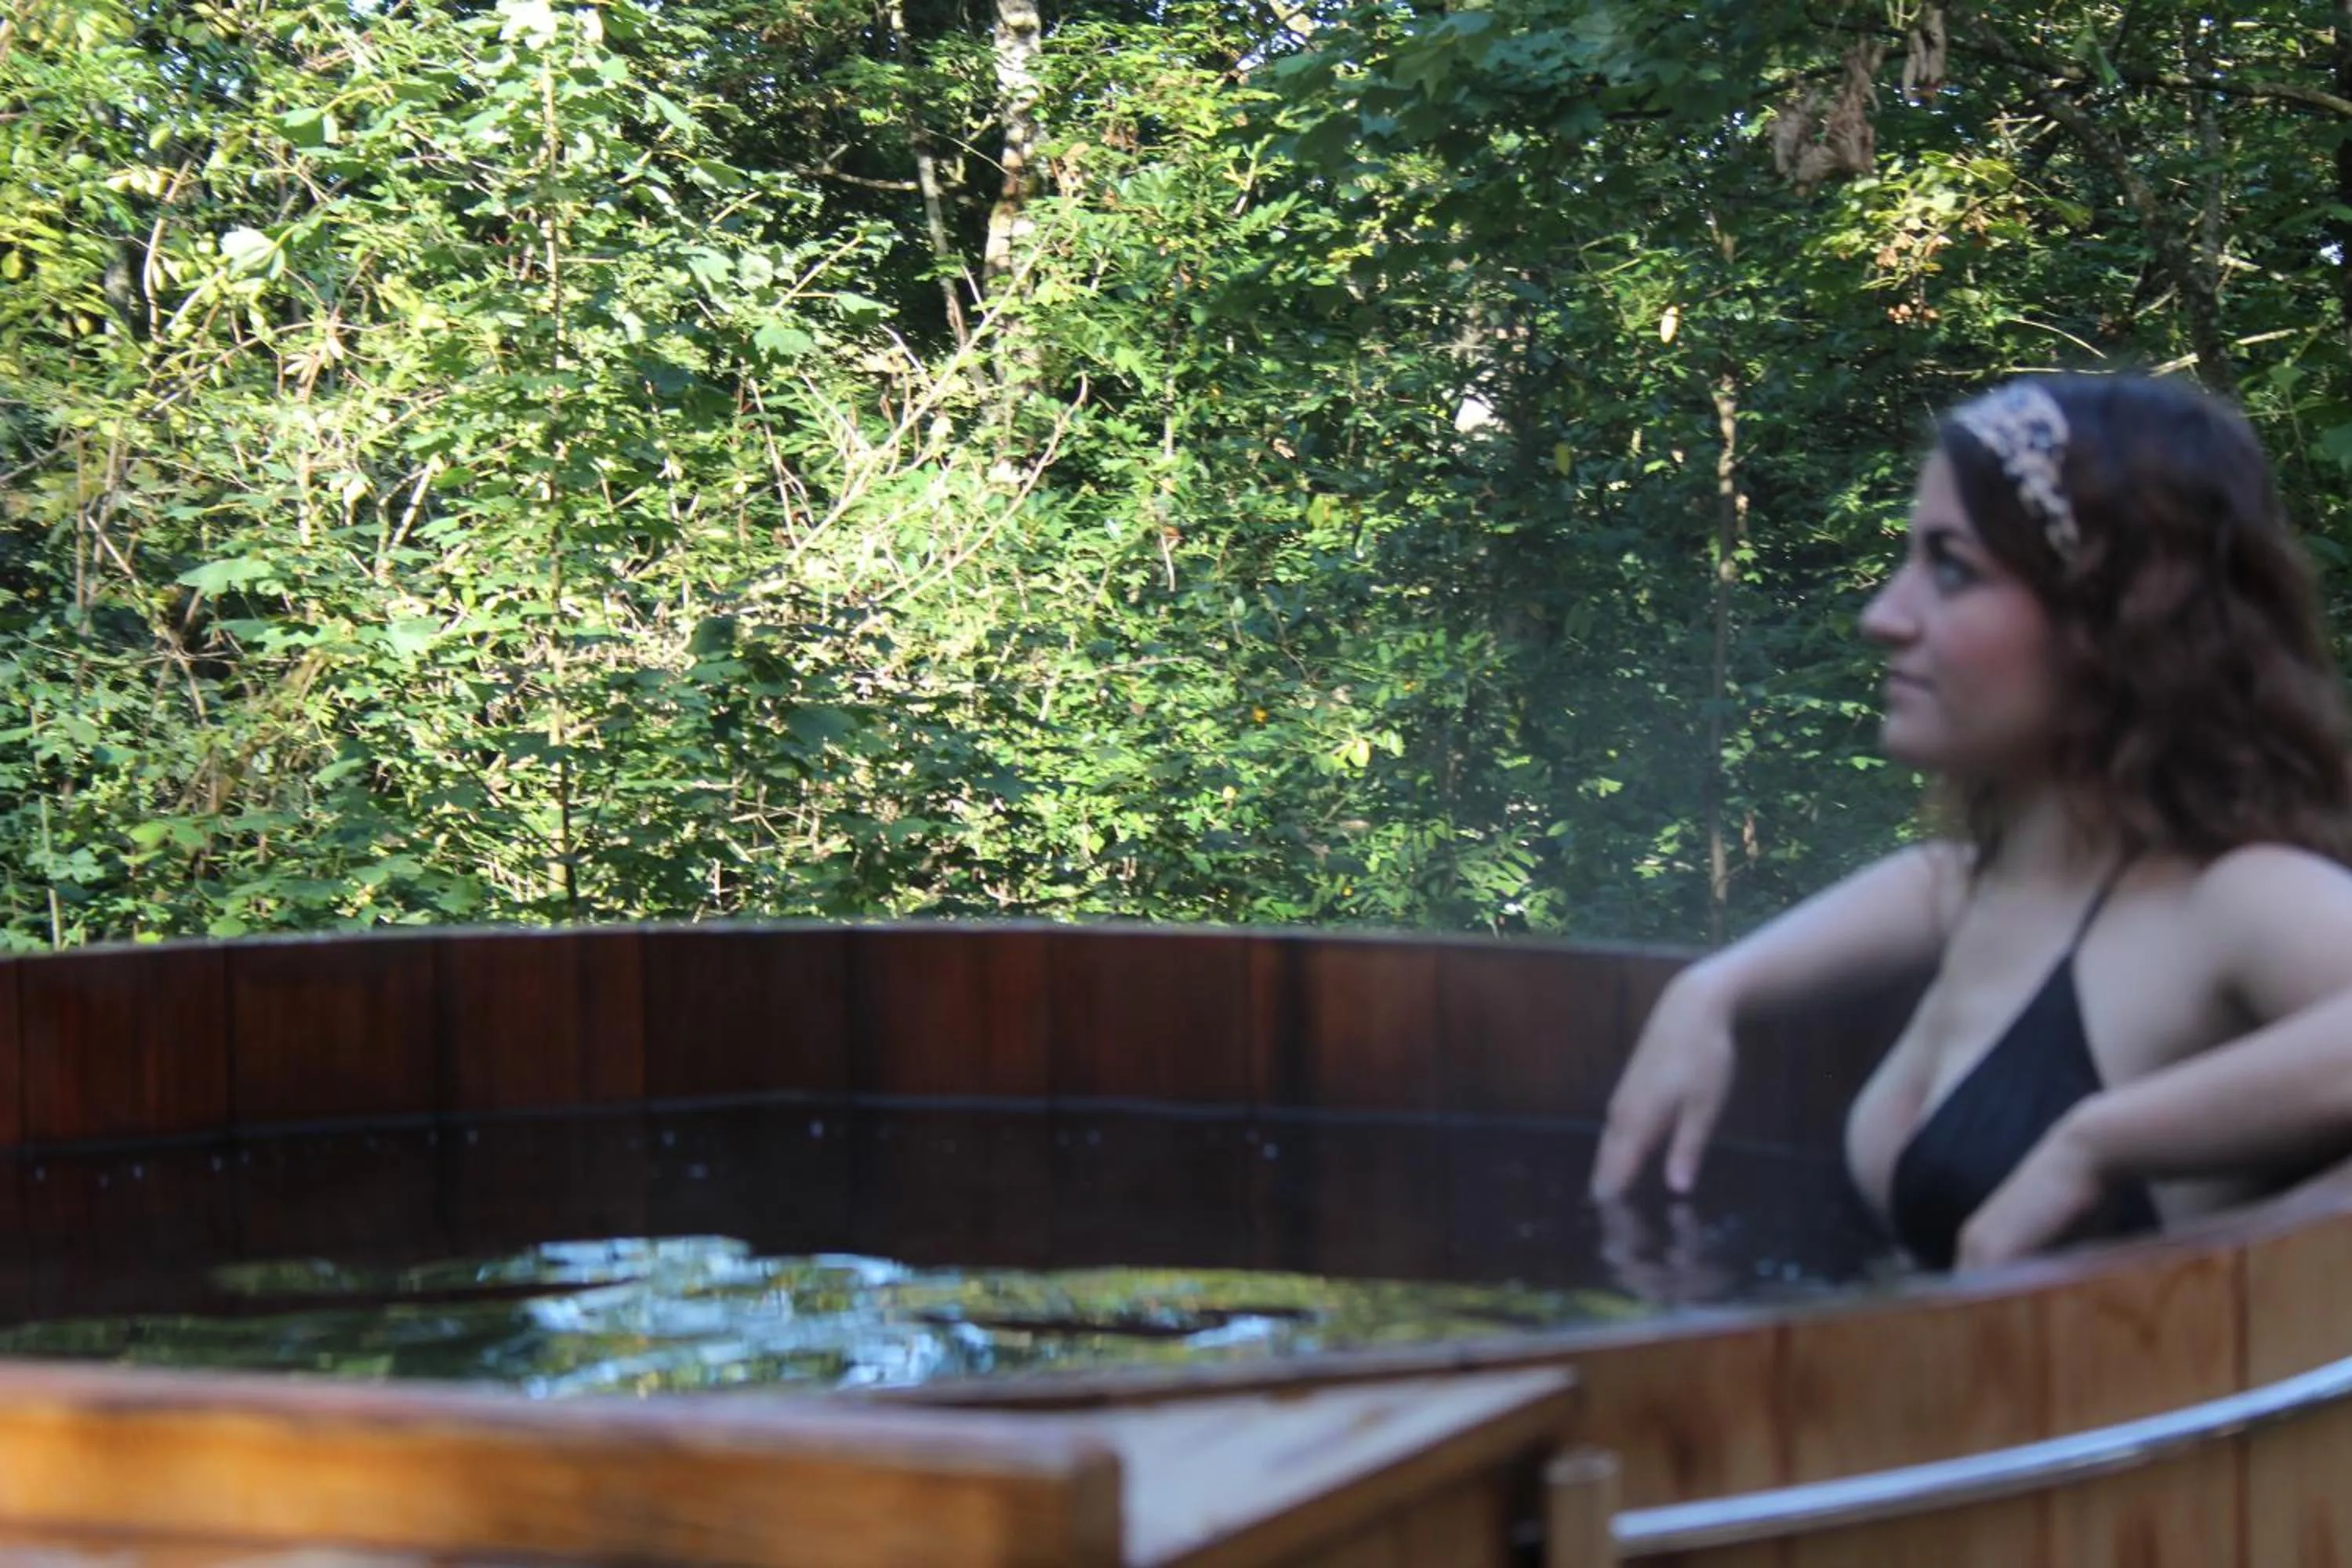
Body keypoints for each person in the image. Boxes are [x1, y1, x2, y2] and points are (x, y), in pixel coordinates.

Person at [1588, 372, 2352, 1271]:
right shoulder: (1998, 883)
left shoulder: (2231, 900)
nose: (1884, 616)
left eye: (1952, 567)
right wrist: (1710, 991)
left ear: (2116, 614)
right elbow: (1931, 878)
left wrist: (2096, 1142)